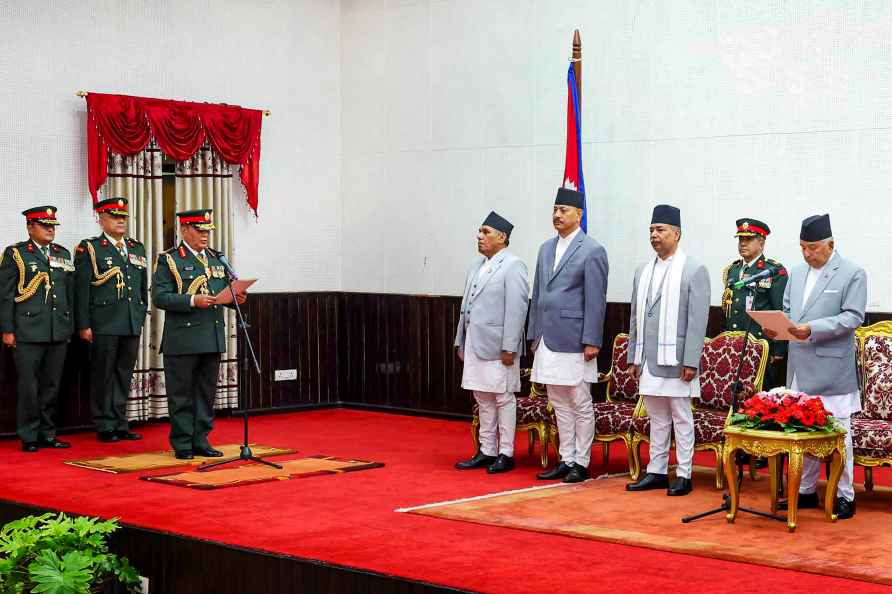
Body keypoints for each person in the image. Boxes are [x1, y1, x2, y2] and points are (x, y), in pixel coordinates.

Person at [767, 214, 865, 520]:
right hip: (800, 366)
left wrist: (814, 328)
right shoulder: (796, 273)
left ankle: (845, 494)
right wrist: (777, 327)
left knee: (839, 434)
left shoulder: (852, 273)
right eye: (802, 248)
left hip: (833, 369)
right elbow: (786, 310)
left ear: (830, 244)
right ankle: (806, 491)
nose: (807, 254)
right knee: (802, 429)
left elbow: (853, 316)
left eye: (812, 248)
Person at [625, 205, 710, 496]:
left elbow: (698, 322)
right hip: (648, 358)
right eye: (651, 230)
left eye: (660, 230)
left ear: (677, 233)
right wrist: (633, 356)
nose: (654, 235)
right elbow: (635, 316)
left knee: (681, 417)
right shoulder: (642, 270)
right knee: (657, 418)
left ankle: (684, 473)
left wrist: (690, 361)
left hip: (676, 359)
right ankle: (657, 471)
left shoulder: (694, 269)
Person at [528, 188, 608, 484]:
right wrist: (534, 333)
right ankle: (566, 458)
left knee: (579, 400)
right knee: (558, 401)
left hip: (575, 339)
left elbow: (596, 300)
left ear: (579, 215)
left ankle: (582, 461)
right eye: (555, 209)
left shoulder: (592, 250)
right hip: (547, 338)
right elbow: (538, 294)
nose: (557, 215)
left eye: (563, 210)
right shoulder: (545, 248)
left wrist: (592, 340)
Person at [152, 209, 246, 459]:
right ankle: (182, 443)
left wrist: (234, 298)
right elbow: (160, 297)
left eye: (207, 231)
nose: (205, 235)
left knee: (205, 393)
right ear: (185, 230)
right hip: (182, 339)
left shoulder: (217, 259)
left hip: (211, 336)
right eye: (199, 230)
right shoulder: (169, 260)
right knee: (181, 394)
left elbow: (219, 293)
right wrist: (193, 300)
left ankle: (201, 439)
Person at [454, 211, 529, 474]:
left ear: (502, 236)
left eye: (485, 232)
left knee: (502, 397)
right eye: (480, 231)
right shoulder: (476, 265)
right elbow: (466, 306)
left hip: (499, 346)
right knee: (481, 397)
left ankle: (505, 452)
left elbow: (517, 309)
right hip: (475, 341)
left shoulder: (513, 265)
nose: (479, 236)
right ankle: (486, 449)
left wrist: (510, 346)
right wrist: (460, 339)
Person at [0, 206, 74, 452]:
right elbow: (6, 296)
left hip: (58, 330)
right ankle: (29, 434)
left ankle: (48, 433)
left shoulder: (62, 254)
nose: (51, 230)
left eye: (53, 225)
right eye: (45, 225)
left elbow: (68, 293)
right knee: (29, 386)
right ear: (30, 227)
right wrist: (7, 330)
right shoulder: (16, 254)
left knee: (51, 385)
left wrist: (69, 325)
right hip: (28, 330)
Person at [74, 198, 147, 442]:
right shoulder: (91, 248)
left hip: (130, 321)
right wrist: (83, 324)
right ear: (101, 219)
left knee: (124, 373)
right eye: (114, 216)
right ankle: (105, 424)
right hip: (103, 322)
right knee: (103, 374)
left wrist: (140, 314)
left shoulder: (137, 248)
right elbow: (81, 290)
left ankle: (120, 421)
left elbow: (141, 288)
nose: (120, 221)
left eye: (123, 217)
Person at [720, 218, 787, 389]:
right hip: (733, 347)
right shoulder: (732, 270)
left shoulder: (773, 271)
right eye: (741, 239)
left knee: (758, 399)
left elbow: (780, 310)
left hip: (761, 346)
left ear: (761, 243)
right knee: (734, 395)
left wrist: (778, 349)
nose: (743, 243)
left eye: (748, 239)